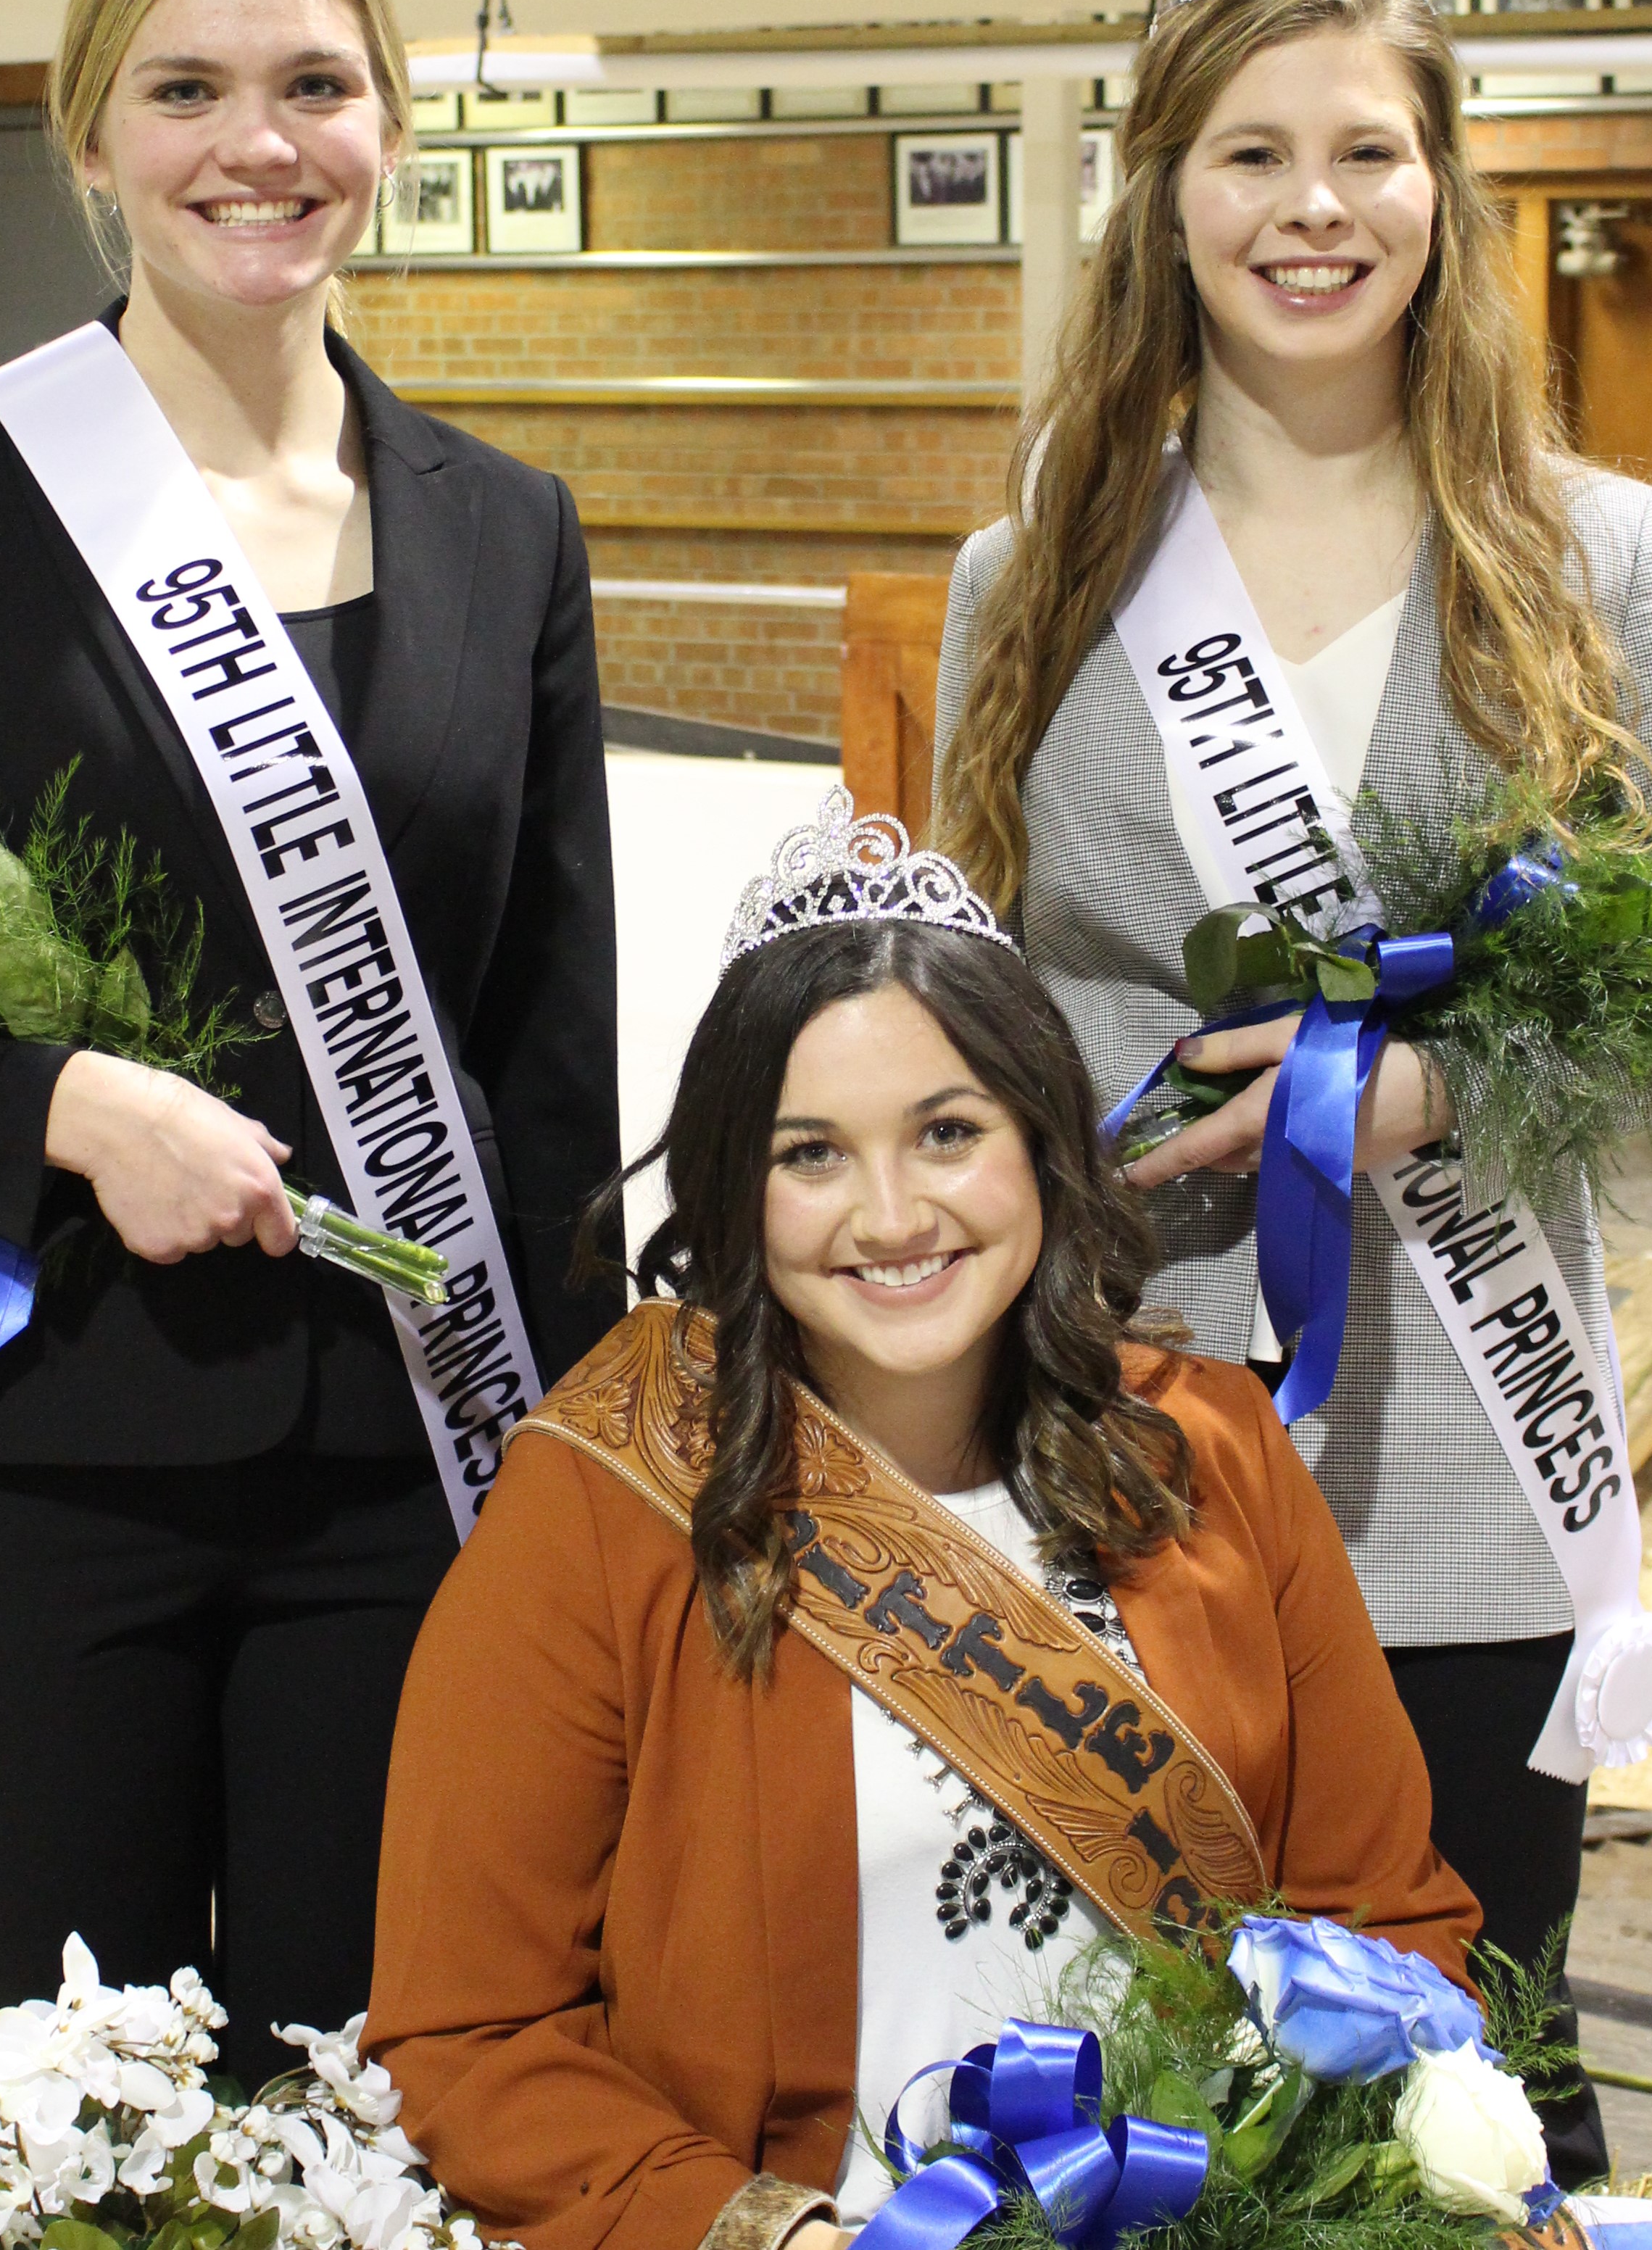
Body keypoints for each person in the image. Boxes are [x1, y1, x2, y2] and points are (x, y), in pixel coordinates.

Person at [0, 0, 620, 2070]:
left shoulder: (505, 534)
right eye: (190, 90)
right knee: (77, 2132)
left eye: (314, 83)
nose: (259, 144)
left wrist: (590, 1467)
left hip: (409, 1487)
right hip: (40, 1476)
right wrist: (55, 1108)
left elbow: (548, 1059)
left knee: (373, 2103)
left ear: (390, 120)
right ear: (92, 133)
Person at [931, 0, 1652, 2183]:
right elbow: (970, 1001)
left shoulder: (1604, 557)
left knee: (1469, 2082)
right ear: (1164, 197)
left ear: (1446, 189)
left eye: (1369, 152)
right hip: (1127, 1441)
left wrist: (1445, 1084)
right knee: (1132, 2077)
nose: (1314, 208)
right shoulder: (1035, 579)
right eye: (1248, 154)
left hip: (1476, 1476)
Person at [366, 788, 1479, 2250]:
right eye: (809, 1154)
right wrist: (773, 2235)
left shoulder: (1208, 1454)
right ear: (730, 1187)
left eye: (945, 1133)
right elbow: (471, 2034)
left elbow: (1388, 1924)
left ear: (1038, 1145)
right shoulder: (606, 1502)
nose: (890, 1217)